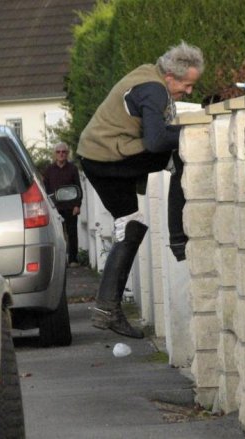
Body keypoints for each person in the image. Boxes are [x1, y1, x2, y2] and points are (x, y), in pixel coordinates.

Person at [77, 41, 204, 338]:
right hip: (107, 158)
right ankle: (179, 241)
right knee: (178, 154)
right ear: (171, 76)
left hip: (97, 156)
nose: (189, 92)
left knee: (131, 224)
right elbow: (156, 142)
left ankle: (106, 310)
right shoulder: (154, 89)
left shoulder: (149, 75)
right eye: (187, 85)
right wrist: (194, 132)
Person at [43, 142, 83, 267]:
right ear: (55, 154)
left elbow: (78, 187)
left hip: (71, 207)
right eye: (58, 152)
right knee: (58, 235)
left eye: (63, 152)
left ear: (67, 153)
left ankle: (73, 260)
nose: (61, 154)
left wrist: (77, 205)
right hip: (55, 208)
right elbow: (46, 189)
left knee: (72, 233)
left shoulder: (73, 169)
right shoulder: (49, 170)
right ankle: (59, 262)